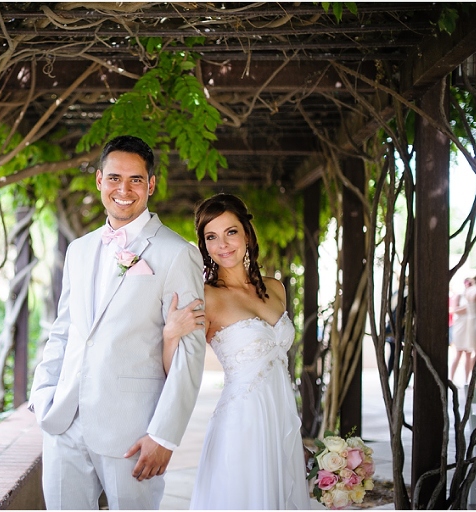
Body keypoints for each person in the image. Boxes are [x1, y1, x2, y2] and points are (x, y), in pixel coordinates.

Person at [28, 135, 207, 510]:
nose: (123, 189)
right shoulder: (78, 250)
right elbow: (64, 331)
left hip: (133, 432)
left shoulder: (177, 254)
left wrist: (165, 435)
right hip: (64, 423)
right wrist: (43, 392)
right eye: (114, 178)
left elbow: (190, 352)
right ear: (99, 180)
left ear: (151, 184)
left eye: (136, 179)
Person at [162, 193, 311, 509]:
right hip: (241, 423)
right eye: (211, 237)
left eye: (230, 232)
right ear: (204, 245)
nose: (223, 244)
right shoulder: (206, 296)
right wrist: (170, 333)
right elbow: (176, 369)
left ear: (246, 233)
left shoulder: (275, 288)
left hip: (281, 418)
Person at [450, 276, 476, 383]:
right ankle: (451, 378)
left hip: (469, 325)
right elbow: (454, 310)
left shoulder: (472, 294)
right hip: (460, 326)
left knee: (468, 354)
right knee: (458, 353)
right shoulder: (460, 295)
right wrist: (468, 307)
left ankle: (467, 380)